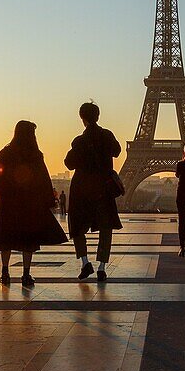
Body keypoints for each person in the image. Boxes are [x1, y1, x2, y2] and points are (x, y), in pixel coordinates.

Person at [0, 120, 67, 287]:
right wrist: (47, 199)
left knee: (6, 238)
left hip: (8, 202)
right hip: (28, 203)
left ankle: (5, 272)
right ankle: (26, 274)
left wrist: (0, 188)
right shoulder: (35, 155)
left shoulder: (7, 152)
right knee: (28, 240)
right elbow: (44, 180)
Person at [65, 102, 122, 282]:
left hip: (81, 188)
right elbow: (117, 151)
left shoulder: (79, 141)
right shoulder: (106, 135)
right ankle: (102, 268)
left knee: (76, 226)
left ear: (82, 118)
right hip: (103, 188)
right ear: (98, 116)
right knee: (106, 227)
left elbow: (69, 163)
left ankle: (84, 262)